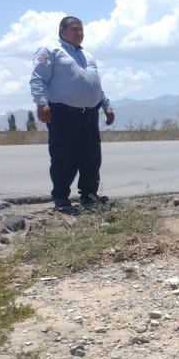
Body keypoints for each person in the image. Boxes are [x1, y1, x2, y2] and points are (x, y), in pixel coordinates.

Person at [30, 16, 115, 212]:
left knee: (91, 157)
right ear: (62, 31)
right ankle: (61, 197)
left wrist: (106, 105)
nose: (79, 33)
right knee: (64, 157)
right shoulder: (51, 51)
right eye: (75, 29)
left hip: (89, 114)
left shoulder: (87, 54)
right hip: (63, 113)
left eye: (81, 29)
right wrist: (41, 103)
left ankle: (89, 196)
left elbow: (94, 84)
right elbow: (37, 78)